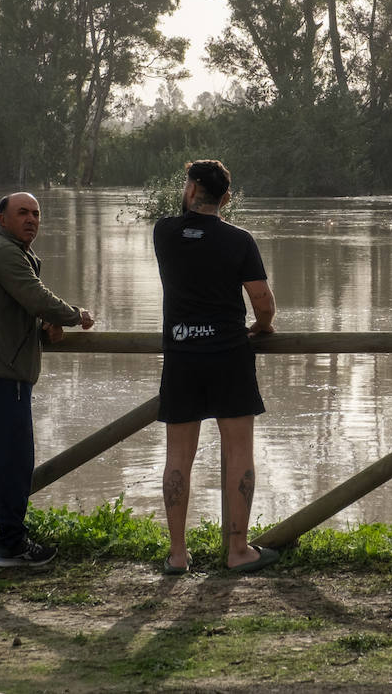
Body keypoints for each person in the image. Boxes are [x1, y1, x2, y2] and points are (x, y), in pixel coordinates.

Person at [0, 192, 95, 568]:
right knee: (16, 460)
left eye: (36, 213)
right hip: (3, 371)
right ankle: (12, 545)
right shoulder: (5, 254)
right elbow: (37, 297)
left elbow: (17, 307)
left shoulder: (9, 252)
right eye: (22, 213)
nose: (31, 219)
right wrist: (74, 315)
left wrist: (42, 324)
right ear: (2, 219)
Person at [154, 160, 278, 574]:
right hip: (228, 354)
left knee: (178, 454)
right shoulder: (239, 240)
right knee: (240, 449)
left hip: (182, 354)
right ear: (226, 198)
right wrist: (262, 327)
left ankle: (176, 555)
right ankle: (238, 550)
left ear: (190, 190)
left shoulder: (164, 233)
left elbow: (188, 230)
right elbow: (261, 300)